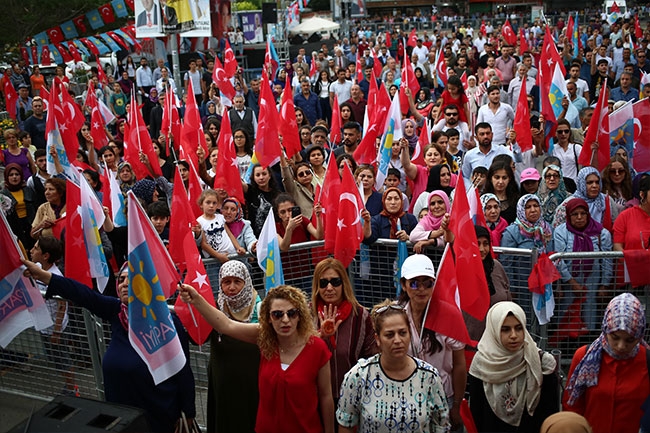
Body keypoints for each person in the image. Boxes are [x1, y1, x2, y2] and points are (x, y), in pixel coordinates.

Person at [22, 261, 196, 433]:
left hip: (158, 417)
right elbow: (81, 294)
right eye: (121, 280)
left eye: (132, 279)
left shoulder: (168, 323)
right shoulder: (116, 312)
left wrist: (188, 412)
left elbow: (183, 370)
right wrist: (45, 276)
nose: (124, 284)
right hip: (120, 419)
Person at [180, 284, 336, 433]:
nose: (285, 320)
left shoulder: (317, 348)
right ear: (268, 318)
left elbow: (326, 396)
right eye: (277, 314)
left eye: (292, 313)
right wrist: (197, 299)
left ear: (300, 315)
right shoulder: (264, 338)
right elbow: (226, 325)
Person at [336, 299, 450, 433]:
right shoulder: (358, 376)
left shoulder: (429, 377)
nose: (397, 340)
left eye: (402, 333)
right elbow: (346, 425)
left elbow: (441, 426)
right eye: (389, 335)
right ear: (378, 339)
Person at [563, 293, 649, 433]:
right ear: (605, 329)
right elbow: (572, 407)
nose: (621, 346)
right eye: (615, 337)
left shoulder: (647, 360)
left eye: (630, 340)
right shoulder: (585, 357)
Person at [398, 254, 466, 431]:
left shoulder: (450, 315)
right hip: (407, 395)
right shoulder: (397, 317)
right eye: (414, 283)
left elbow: (459, 364)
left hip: (443, 396)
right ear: (404, 285)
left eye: (427, 283)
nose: (421, 289)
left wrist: (456, 405)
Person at [469, 301, 559, 432]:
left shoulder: (541, 362)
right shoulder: (481, 363)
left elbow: (551, 412)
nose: (513, 335)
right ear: (493, 330)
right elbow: (477, 413)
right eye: (505, 329)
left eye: (519, 328)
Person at [310, 258, 377, 401]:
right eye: (323, 283)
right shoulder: (307, 314)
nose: (329, 288)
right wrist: (319, 337)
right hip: (314, 396)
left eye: (335, 282)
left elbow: (371, 358)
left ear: (344, 284)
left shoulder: (361, 316)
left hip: (352, 396)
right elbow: (297, 352)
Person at [207, 261, 261, 433]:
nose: (231, 287)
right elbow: (198, 339)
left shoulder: (260, 309)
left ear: (246, 281)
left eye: (237, 281)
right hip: (224, 387)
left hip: (252, 385)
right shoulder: (214, 308)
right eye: (226, 281)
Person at [553, 198, 613, 333]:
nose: (579, 217)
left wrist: (604, 284)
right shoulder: (561, 232)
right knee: (566, 320)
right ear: (568, 215)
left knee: (589, 320)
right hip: (568, 285)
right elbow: (559, 260)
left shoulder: (601, 233)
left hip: (592, 284)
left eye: (583, 213)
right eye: (575, 214)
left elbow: (607, 260)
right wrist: (572, 282)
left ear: (588, 214)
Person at [465, 226, 512, 345]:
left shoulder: (496, 267)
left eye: (485, 244)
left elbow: (507, 296)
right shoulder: (463, 269)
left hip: (499, 339)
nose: (482, 249)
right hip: (472, 343)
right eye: (477, 243)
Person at [1, 163, 35, 250]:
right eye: (11, 175)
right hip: (14, 228)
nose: (14, 177)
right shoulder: (3, 195)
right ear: (6, 177)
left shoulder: (28, 190)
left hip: (30, 226)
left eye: (17, 174)